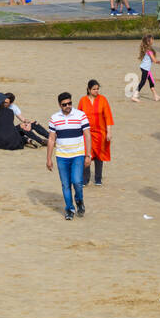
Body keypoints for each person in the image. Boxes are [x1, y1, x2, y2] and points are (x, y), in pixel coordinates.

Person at [47, 91, 90, 220]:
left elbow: (87, 135)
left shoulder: (80, 115)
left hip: (78, 155)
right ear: (59, 105)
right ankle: (70, 209)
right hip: (61, 156)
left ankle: (79, 200)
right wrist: (48, 158)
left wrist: (88, 155)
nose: (68, 106)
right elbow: (51, 139)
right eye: (64, 104)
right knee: (65, 185)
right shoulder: (54, 118)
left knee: (77, 181)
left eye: (69, 103)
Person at [77, 80, 114, 187]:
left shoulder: (103, 100)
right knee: (86, 154)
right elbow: (78, 116)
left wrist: (109, 132)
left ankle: (98, 178)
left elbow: (108, 116)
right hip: (86, 133)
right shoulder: (83, 100)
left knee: (99, 155)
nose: (96, 91)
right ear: (89, 90)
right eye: (94, 89)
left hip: (100, 133)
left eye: (97, 89)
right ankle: (85, 179)